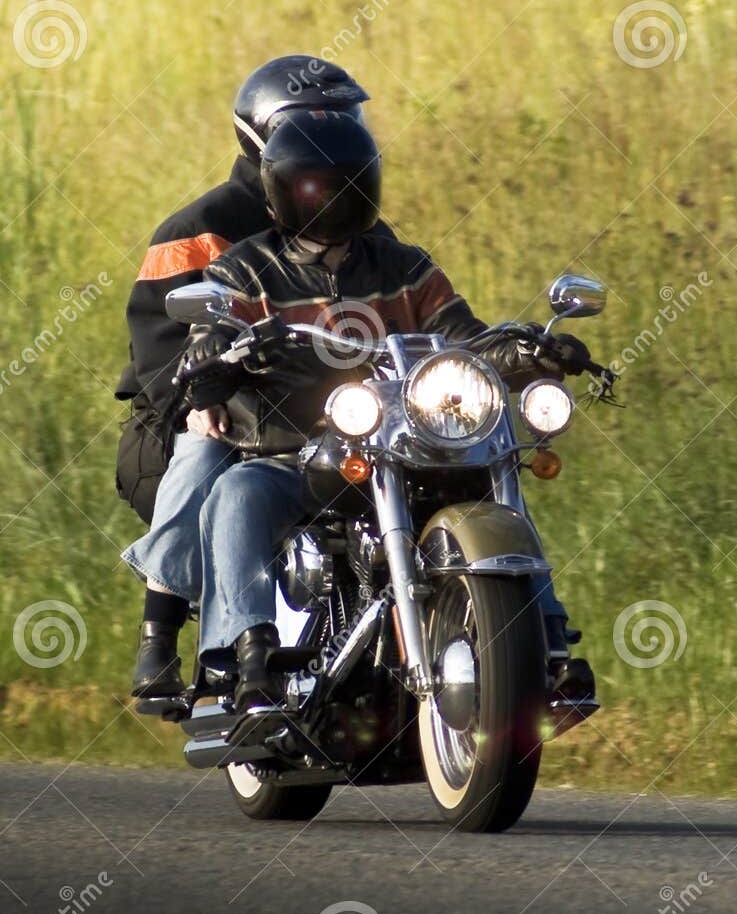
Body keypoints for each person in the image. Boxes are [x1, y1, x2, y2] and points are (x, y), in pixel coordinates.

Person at [177, 109, 594, 710]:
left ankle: (544, 646)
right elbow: (202, 350)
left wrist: (528, 347)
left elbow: (463, 337)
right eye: (317, 186)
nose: (333, 200)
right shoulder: (243, 269)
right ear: (281, 190)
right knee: (238, 492)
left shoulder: (405, 266)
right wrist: (219, 354)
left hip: (410, 445)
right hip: (294, 452)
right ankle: (248, 657)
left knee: (497, 475)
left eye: (348, 184)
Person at [118, 55, 390, 698]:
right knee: (208, 449)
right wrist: (195, 399)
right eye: (315, 121)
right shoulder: (196, 230)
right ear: (265, 134)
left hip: (326, 412)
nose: (336, 131)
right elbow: (161, 348)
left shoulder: (357, 224)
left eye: (345, 117)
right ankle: (161, 634)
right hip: (195, 413)